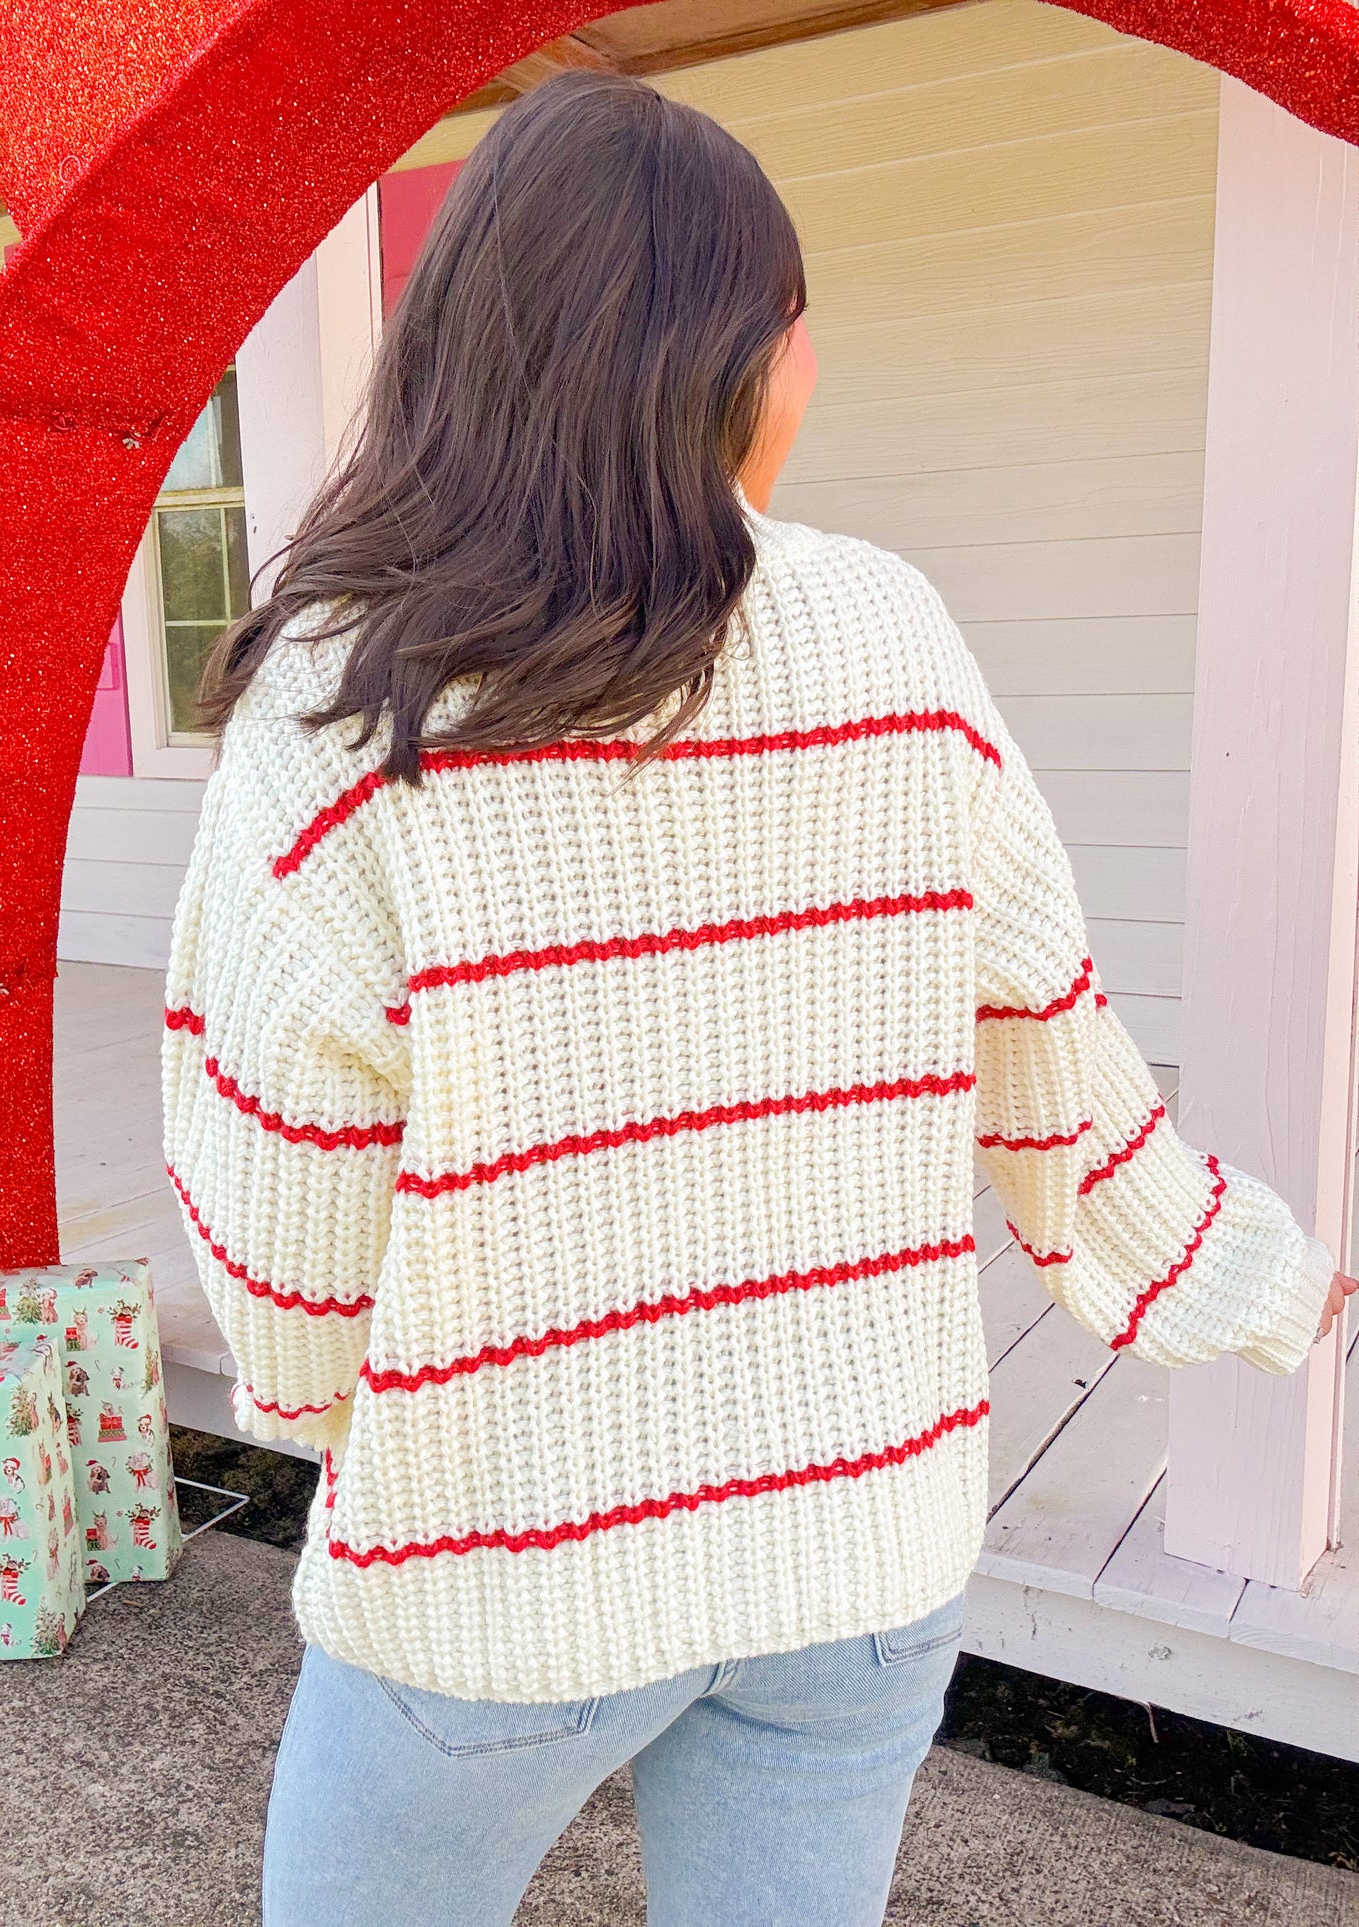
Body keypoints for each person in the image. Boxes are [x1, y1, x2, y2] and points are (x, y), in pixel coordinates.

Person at [161, 69, 1357, 1927]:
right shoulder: (888, 635)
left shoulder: (343, 698)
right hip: (855, 1553)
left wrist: (371, 1424)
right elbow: (1054, 1069)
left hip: (493, 1572)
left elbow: (285, 1251)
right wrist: (1261, 1275)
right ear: (754, 359)